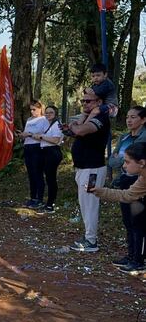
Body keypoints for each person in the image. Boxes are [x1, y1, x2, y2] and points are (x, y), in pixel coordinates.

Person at [66, 90, 110, 252]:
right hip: (83, 167)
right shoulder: (88, 117)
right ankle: (88, 236)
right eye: (83, 101)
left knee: (90, 204)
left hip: (93, 168)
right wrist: (79, 121)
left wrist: (75, 124)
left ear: (99, 102)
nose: (85, 104)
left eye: (89, 101)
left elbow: (78, 130)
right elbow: (71, 130)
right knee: (85, 203)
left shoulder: (101, 118)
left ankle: (91, 240)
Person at [102, 107, 146, 269]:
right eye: (127, 117)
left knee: (138, 222)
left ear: (143, 120)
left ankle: (139, 259)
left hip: (140, 183)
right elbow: (112, 161)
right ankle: (130, 255)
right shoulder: (124, 137)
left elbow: (129, 160)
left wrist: (121, 159)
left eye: (133, 117)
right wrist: (125, 161)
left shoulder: (144, 138)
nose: (129, 120)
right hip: (124, 180)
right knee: (128, 220)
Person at [92, 142, 146, 274]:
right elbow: (127, 195)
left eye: (127, 162)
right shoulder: (142, 178)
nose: (124, 166)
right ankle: (136, 258)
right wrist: (102, 191)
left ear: (142, 163)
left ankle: (139, 261)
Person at [18, 100, 50, 208]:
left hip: (37, 147)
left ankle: (40, 198)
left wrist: (30, 134)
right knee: (31, 173)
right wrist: (22, 135)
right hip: (28, 146)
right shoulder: (29, 120)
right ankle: (33, 197)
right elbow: (26, 133)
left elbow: (44, 134)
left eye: (34, 109)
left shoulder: (44, 120)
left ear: (40, 109)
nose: (32, 112)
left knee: (38, 173)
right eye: (31, 110)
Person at [32, 105, 64, 214]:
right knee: (47, 176)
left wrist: (41, 137)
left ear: (55, 114)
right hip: (45, 152)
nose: (48, 114)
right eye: (46, 113)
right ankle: (47, 202)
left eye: (51, 113)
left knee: (51, 178)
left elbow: (55, 140)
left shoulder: (57, 125)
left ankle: (50, 204)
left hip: (52, 152)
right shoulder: (48, 124)